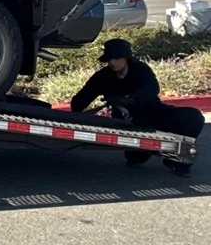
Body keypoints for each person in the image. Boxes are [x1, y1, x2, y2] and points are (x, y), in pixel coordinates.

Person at [70, 37, 204, 165]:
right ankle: (147, 150)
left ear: (126, 58)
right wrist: (78, 117)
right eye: (109, 59)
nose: (112, 63)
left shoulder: (140, 69)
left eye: (117, 58)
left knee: (193, 117)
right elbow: (80, 100)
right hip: (130, 122)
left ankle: (177, 157)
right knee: (135, 159)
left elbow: (152, 88)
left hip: (154, 112)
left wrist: (130, 99)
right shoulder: (102, 76)